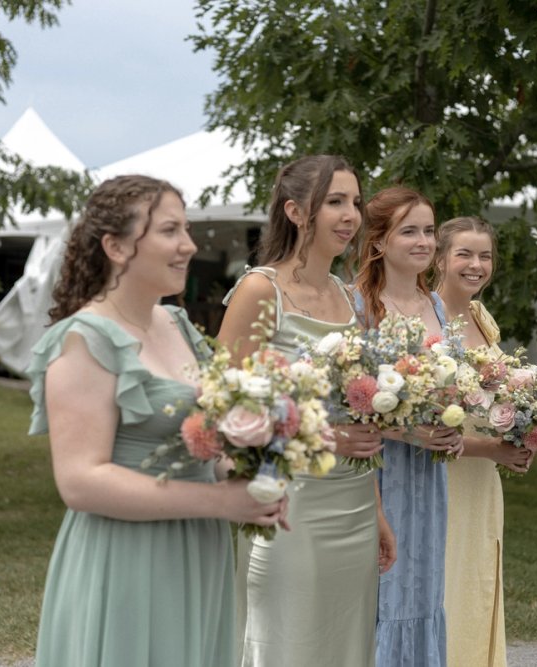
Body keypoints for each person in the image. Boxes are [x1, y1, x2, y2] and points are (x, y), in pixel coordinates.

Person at [26, 175, 286, 667]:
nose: (189, 245)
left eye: (186, 229)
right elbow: (80, 481)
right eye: (170, 231)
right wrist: (221, 501)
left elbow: (205, 442)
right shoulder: (84, 339)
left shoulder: (176, 324)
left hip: (198, 550)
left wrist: (253, 481)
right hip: (128, 554)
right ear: (116, 246)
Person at [217, 155, 396, 666]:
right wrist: (324, 438)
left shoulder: (348, 296)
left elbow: (358, 413)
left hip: (354, 501)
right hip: (288, 497)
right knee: (287, 641)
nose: (351, 215)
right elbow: (222, 406)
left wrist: (377, 512)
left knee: (345, 645)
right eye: (335, 201)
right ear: (296, 211)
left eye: (355, 202)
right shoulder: (260, 290)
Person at [352, 187, 463, 667]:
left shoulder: (435, 304)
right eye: (409, 231)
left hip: (429, 472)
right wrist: (406, 431)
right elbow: (347, 399)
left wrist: (454, 423)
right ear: (379, 241)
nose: (423, 241)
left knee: (423, 588)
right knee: (383, 588)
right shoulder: (358, 306)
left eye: (429, 230)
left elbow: (456, 382)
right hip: (377, 469)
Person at [434, 217, 532, 667]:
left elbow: (498, 395)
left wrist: (524, 431)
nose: (476, 265)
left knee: (478, 584)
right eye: (464, 254)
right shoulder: (426, 319)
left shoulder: (480, 316)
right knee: (446, 585)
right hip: (441, 478)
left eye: (485, 256)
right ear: (439, 259)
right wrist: (493, 449)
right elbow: (424, 426)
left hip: (482, 482)